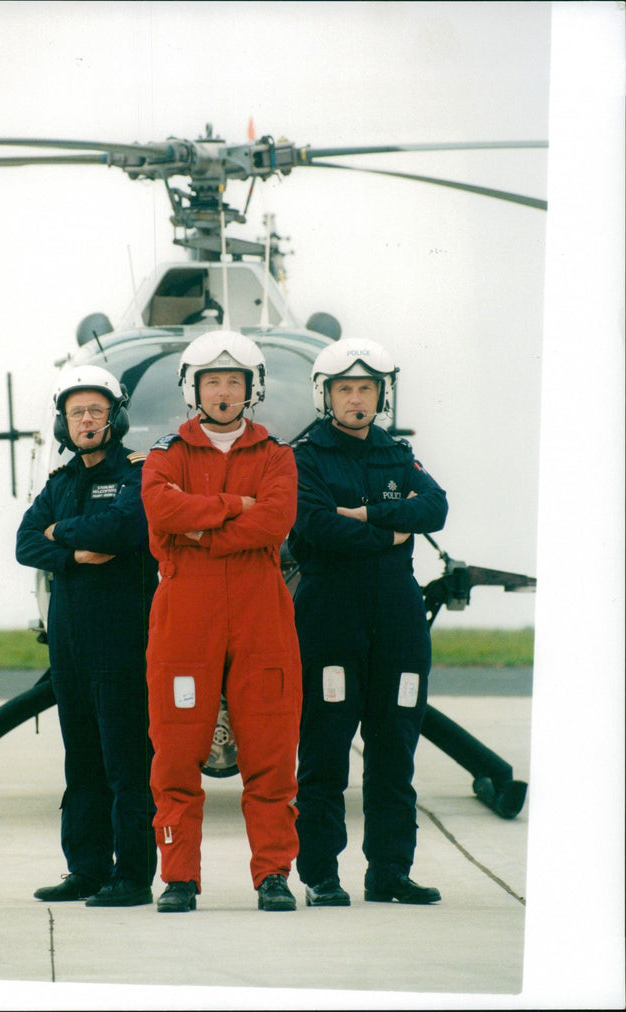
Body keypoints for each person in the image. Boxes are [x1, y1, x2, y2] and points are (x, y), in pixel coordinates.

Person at [140, 330, 302, 913]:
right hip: (187, 614)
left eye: (235, 381)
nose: (225, 392)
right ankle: (179, 878)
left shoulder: (276, 455)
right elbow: (160, 509)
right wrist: (237, 506)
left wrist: (199, 527)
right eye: (213, 382)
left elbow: (276, 522)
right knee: (176, 751)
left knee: (271, 751)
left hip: (262, 611)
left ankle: (274, 876)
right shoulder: (166, 453)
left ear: (251, 388)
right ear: (194, 388)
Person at [289, 337, 448, 906]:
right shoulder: (304, 456)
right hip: (330, 614)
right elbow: (312, 526)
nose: (356, 399)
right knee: (326, 748)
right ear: (326, 395)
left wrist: (363, 514)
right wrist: (391, 529)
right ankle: (321, 875)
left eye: (366, 389)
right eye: (345, 389)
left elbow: (435, 509)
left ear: (382, 394)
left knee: (394, 747)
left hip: (398, 619)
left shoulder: (398, 454)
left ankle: (389, 871)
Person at [16, 364, 158, 907]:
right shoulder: (60, 482)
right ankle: (87, 869)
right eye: (77, 412)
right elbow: (27, 542)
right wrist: (75, 551)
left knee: (126, 761)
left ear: (115, 416)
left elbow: (125, 528)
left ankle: (132, 876)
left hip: (122, 638)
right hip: (71, 641)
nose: (87, 420)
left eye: (96, 410)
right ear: (64, 423)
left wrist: (60, 534)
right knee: (82, 760)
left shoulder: (137, 474)